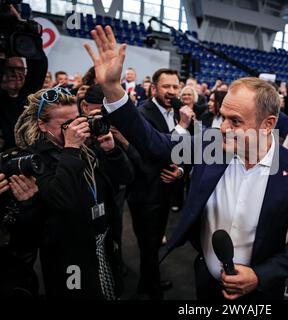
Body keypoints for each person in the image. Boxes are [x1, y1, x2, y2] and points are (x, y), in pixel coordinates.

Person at [84, 25, 288, 300]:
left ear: (268, 124)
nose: (223, 127)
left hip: (261, 293)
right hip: (205, 282)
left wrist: (260, 275)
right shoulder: (212, 145)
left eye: (236, 122)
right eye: (223, 117)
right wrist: (113, 89)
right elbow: (155, 144)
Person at [14, 86, 134, 299]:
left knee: (108, 291)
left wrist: (111, 151)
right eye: (65, 124)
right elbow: (61, 201)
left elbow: (125, 179)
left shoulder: (88, 147)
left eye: (77, 120)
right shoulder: (36, 159)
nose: (75, 128)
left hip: (101, 241)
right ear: (43, 125)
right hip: (68, 254)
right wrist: (71, 148)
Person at [125, 68, 186, 299]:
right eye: (166, 86)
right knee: (148, 245)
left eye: (175, 86)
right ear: (153, 89)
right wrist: (181, 128)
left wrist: (180, 170)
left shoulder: (180, 112)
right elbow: (153, 153)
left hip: (165, 192)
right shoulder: (142, 114)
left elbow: (188, 151)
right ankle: (153, 290)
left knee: (153, 244)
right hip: (145, 192)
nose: (171, 91)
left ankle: (147, 282)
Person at [0, 53, 47, 151]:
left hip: (25, 155)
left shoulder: (29, 96)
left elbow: (39, 67)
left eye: (20, 69)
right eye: (10, 68)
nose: (16, 73)